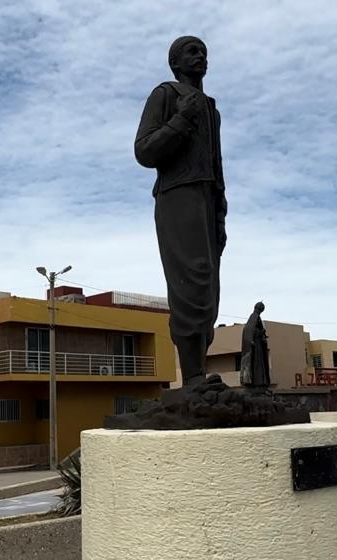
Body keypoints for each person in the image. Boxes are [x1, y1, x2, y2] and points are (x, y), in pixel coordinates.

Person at [135, 36, 227, 387]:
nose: (201, 56)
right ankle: (191, 377)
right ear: (175, 63)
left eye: (204, 51)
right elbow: (144, 151)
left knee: (210, 287)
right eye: (192, 51)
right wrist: (182, 120)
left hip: (207, 199)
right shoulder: (166, 95)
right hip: (177, 195)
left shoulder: (211, 108)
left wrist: (220, 209)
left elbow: (216, 164)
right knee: (192, 278)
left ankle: (198, 374)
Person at [240, 302, 271, 389]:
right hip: (255, 346)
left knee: (260, 364)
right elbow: (250, 332)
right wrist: (261, 332)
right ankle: (257, 382)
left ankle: (261, 382)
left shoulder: (256, 318)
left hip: (258, 346)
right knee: (257, 364)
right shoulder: (254, 317)